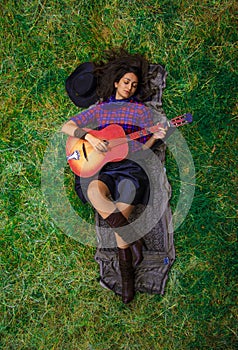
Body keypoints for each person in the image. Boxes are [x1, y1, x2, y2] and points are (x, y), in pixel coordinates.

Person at [61, 49, 167, 304]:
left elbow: (140, 149)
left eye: (134, 84)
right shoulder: (100, 108)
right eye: (126, 82)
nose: (130, 87)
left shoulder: (142, 112)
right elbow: (67, 127)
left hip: (130, 167)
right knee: (94, 192)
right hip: (102, 167)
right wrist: (88, 137)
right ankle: (134, 241)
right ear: (117, 82)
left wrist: (155, 137)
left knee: (123, 203)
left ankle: (126, 270)